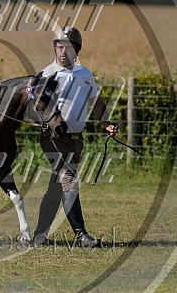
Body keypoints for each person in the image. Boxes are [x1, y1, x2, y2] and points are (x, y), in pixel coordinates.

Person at [33, 26, 117, 248]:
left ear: (76, 50)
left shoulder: (85, 74)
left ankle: (39, 235)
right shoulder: (47, 75)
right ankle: (82, 236)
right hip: (53, 137)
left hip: (77, 139)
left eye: (68, 48)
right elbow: (37, 107)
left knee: (56, 186)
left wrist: (106, 123)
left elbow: (96, 102)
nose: (62, 52)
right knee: (69, 179)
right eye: (59, 47)